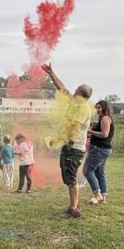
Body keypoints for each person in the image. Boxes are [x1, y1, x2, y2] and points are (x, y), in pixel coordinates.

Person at [40, 63, 94, 218]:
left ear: (80, 93)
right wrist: (51, 73)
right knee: (68, 177)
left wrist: (55, 139)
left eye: (76, 89)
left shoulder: (83, 108)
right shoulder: (76, 102)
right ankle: (74, 204)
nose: (73, 91)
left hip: (75, 149)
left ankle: (74, 209)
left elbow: (72, 128)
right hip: (69, 147)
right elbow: (62, 89)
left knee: (71, 179)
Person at [84, 100, 114, 205]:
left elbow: (104, 134)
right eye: (96, 107)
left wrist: (91, 131)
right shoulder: (103, 119)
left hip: (99, 150)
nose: (97, 110)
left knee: (87, 170)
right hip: (103, 149)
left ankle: (98, 194)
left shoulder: (105, 118)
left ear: (104, 108)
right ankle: (103, 198)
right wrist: (87, 134)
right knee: (99, 172)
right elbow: (97, 135)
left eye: (99, 107)